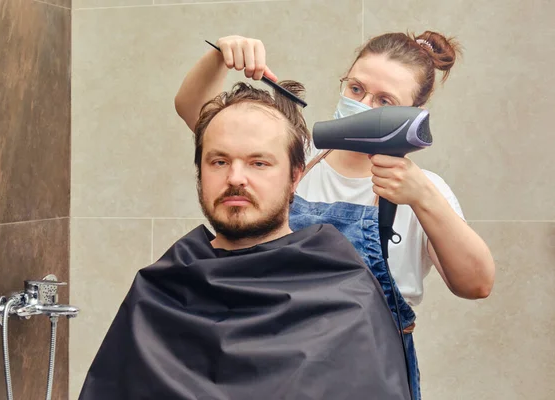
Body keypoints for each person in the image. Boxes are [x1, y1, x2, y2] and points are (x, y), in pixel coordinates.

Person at [174, 32, 496, 399]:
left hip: (369, 374)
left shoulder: (424, 190)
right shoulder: (296, 157)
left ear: (414, 115)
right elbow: (193, 110)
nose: (363, 105)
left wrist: (424, 199)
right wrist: (221, 56)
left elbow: (476, 284)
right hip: (271, 361)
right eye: (356, 89)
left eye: (384, 101)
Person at [79, 81, 412, 399]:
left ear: (295, 176)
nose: (235, 178)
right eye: (219, 161)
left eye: (258, 163)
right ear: (200, 172)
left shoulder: (346, 297)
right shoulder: (158, 292)